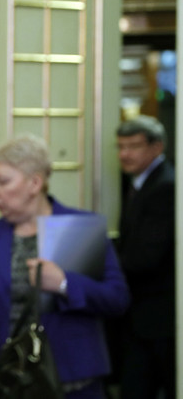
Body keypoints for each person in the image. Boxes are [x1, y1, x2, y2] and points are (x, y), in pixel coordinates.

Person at [0, 135, 130, 399]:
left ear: (35, 183)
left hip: (75, 383)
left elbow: (117, 299)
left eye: (2, 181)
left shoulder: (81, 229)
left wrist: (64, 284)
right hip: (8, 380)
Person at [115, 115, 175, 399]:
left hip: (158, 315)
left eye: (134, 146)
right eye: (120, 146)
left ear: (157, 147)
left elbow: (144, 257)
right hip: (142, 316)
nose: (125, 154)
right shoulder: (137, 181)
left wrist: (103, 267)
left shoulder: (165, 186)